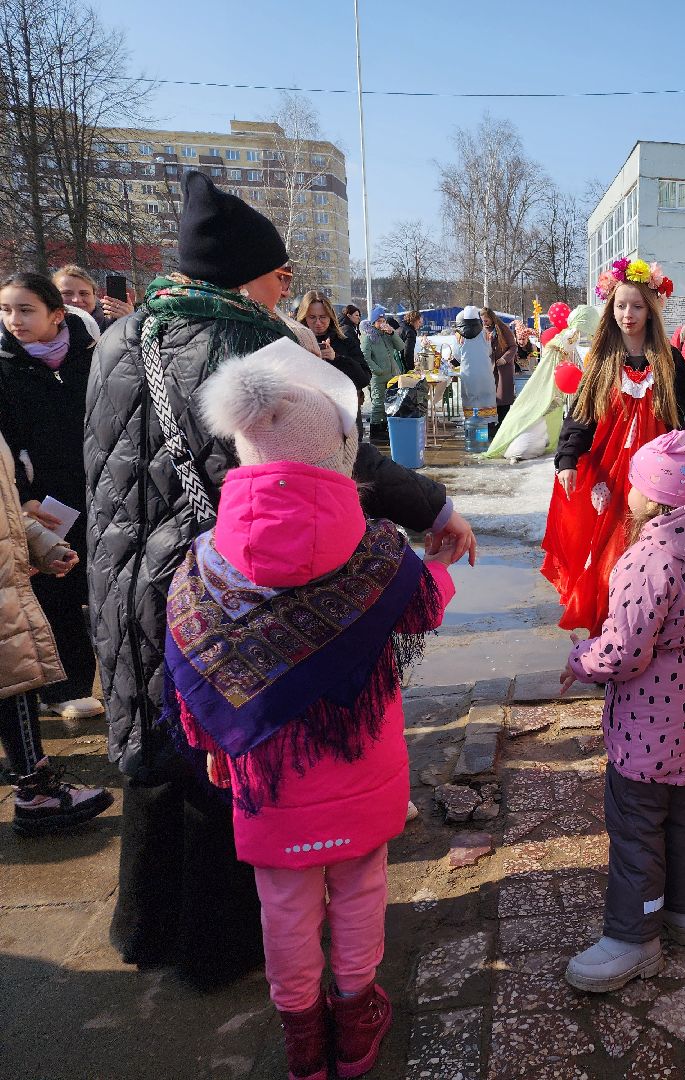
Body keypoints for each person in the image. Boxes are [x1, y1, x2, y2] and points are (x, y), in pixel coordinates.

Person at [85, 169, 477, 991]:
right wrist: (433, 504)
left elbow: (103, 465)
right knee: (229, 753)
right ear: (244, 276)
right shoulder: (249, 346)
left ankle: (143, 927)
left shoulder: (122, 336)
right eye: (278, 271)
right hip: (228, 574)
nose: (286, 285)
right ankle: (221, 948)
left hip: (130, 576)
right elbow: (338, 458)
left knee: (159, 749)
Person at [165, 342, 457, 1080]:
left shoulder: (204, 560)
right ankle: (357, 1018)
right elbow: (422, 607)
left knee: (284, 906)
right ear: (336, 449)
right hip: (362, 761)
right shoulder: (378, 549)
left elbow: (191, 657)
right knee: (361, 889)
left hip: (265, 771)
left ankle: (301, 1034)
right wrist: (444, 569)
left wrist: (211, 738)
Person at [560, 429, 685, 992]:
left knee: (637, 823)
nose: (626, 490)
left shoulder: (649, 558)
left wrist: (582, 658)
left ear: (652, 496)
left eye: (633, 482)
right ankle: (683, 914)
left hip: (649, 717)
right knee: (684, 813)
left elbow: (625, 651)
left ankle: (633, 938)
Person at [541, 256, 685, 636]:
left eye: (637, 306)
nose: (628, 314)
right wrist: (567, 458)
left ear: (650, 310)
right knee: (612, 556)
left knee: (658, 553)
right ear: (611, 309)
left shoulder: (669, 361)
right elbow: (580, 415)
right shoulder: (601, 362)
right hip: (609, 480)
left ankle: (653, 634)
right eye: (621, 305)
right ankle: (612, 636)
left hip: (657, 481)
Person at [0, 272, 103, 720]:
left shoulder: (93, 356)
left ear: (56, 315)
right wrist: (22, 496)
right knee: (54, 591)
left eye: (25, 310)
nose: (14, 320)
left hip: (99, 492)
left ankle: (115, 684)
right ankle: (67, 688)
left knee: (99, 590)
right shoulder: (4, 365)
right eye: (6, 310)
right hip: (41, 505)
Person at [0, 427, 112, 835]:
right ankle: (35, 792)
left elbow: (6, 508)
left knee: (17, 681)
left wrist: (44, 545)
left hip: (7, 582)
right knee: (14, 680)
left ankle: (35, 787)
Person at [484, 305, 602, 463]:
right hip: (552, 375)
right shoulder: (569, 335)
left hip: (553, 375)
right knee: (540, 410)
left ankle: (524, 446)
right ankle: (520, 448)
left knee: (543, 411)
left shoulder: (565, 336)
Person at [297, 290, 369, 396]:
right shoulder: (296, 342)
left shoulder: (345, 341)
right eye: (312, 317)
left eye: (323, 317)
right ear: (304, 317)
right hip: (305, 407)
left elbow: (364, 379)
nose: (318, 322)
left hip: (340, 408)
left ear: (330, 317)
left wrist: (336, 358)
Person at [453, 306, 499, 436]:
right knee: (487, 401)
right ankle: (489, 431)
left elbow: (457, 355)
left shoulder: (459, 336)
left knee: (471, 401)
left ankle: (472, 432)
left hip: (468, 374)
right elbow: (489, 351)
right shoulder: (485, 333)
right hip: (485, 373)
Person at [360, 306, 402, 445]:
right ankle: (375, 431)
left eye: (384, 320)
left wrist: (392, 333)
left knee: (389, 402)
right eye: (379, 321)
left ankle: (383, 428)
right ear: (373, 322)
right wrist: (377, 370)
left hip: (391, 375)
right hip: (378, 376)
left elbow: (401, 346)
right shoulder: (368, 337)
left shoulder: (386, 335)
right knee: (378, 403)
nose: (382, 323)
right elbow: (365, 357)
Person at [54, 264, 135, 333]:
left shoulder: (113, 328)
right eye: (67, 293)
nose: (77, 300)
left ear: (94, 296)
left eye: (84, 293)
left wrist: (131, 324)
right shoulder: (43, 330)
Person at [482, 307, 517, 428]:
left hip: (503, 369)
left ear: (491, 318)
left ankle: (503, 425)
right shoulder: (482, 330)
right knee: (491, 398)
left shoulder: (503, 329)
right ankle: (492, 426)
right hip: (490, 368)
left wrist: (504, 358)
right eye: (482, 321)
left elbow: (513, 346)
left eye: (486, 321)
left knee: (503, 398)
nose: (484, 323)